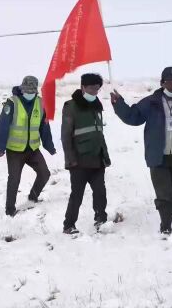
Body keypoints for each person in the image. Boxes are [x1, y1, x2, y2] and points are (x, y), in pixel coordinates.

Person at [110, 66, 172, 235]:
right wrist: (119, 104)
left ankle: (168, 216)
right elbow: (133, 117)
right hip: (158, 155)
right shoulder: (151, 102)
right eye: (169, 81)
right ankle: (166, 225)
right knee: (164, 195)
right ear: (162, 82)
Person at [0, 75, 56, 217]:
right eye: (27, 91)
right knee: (14, 179)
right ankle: (10, 210)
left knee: (44, 174)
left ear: (36, 91)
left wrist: (49, 146)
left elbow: (44, 127)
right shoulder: (12, 103)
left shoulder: (41, 104)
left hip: (33, 150)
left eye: (32, 92)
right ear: (22, 89)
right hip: (15, 151)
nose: (29, 94)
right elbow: (2, 127)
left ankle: (33, 197)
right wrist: (0, 147)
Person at [61, 73, 111, 234]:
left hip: (97, 158)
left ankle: (101, 219)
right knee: (77, 195)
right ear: (82, 87)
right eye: (91, 88)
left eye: (97, 88)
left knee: (100, 192)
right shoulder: (71, 106)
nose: (94, 91)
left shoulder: (97, 106)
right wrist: (70, 159)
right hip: (79, 161)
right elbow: (65, 136)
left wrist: (105, 155)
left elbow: (98, 133)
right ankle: (69, 225)